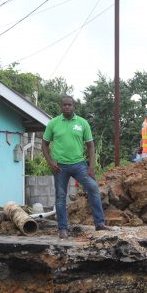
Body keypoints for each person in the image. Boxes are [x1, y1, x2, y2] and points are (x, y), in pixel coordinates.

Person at [42, 95, 109, 239]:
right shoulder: (53, 123)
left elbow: (90, 146)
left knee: (93, 188)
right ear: (61, 106)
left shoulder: (83, 123)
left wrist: (91, 167)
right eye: (64, 105)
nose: (67, 107)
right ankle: (62, 229)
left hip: (79, 165)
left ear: (74, 106)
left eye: (69, 105)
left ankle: (99, 223)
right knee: (60, 197)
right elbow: (44, 144)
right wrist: (50, 162)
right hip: (59, 166)